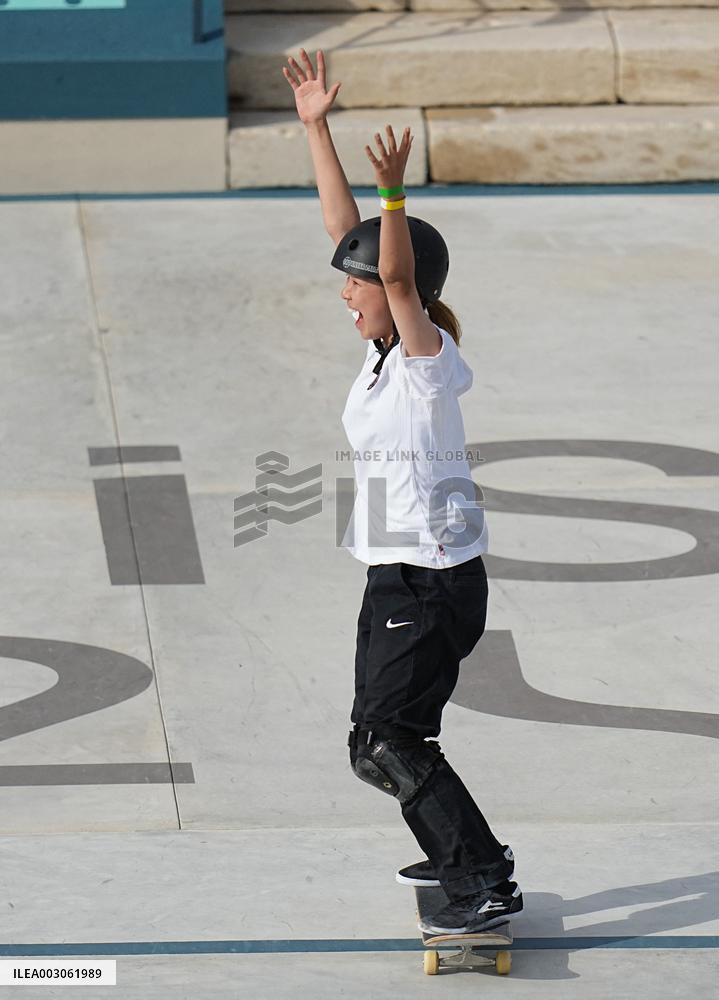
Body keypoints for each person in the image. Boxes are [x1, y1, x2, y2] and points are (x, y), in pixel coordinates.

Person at [282, 47, 523, 936]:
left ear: (403, 294)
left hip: (427, 583)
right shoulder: (385, 353)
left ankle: (481, 876)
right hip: (401, 574)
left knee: (385, 742)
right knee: (380, 741)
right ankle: (462, 852)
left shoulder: (425, 363)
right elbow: (353, 244)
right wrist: (317, 131)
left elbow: (389, 271)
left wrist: (395, 196)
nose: (347, 295)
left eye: (359, 287)